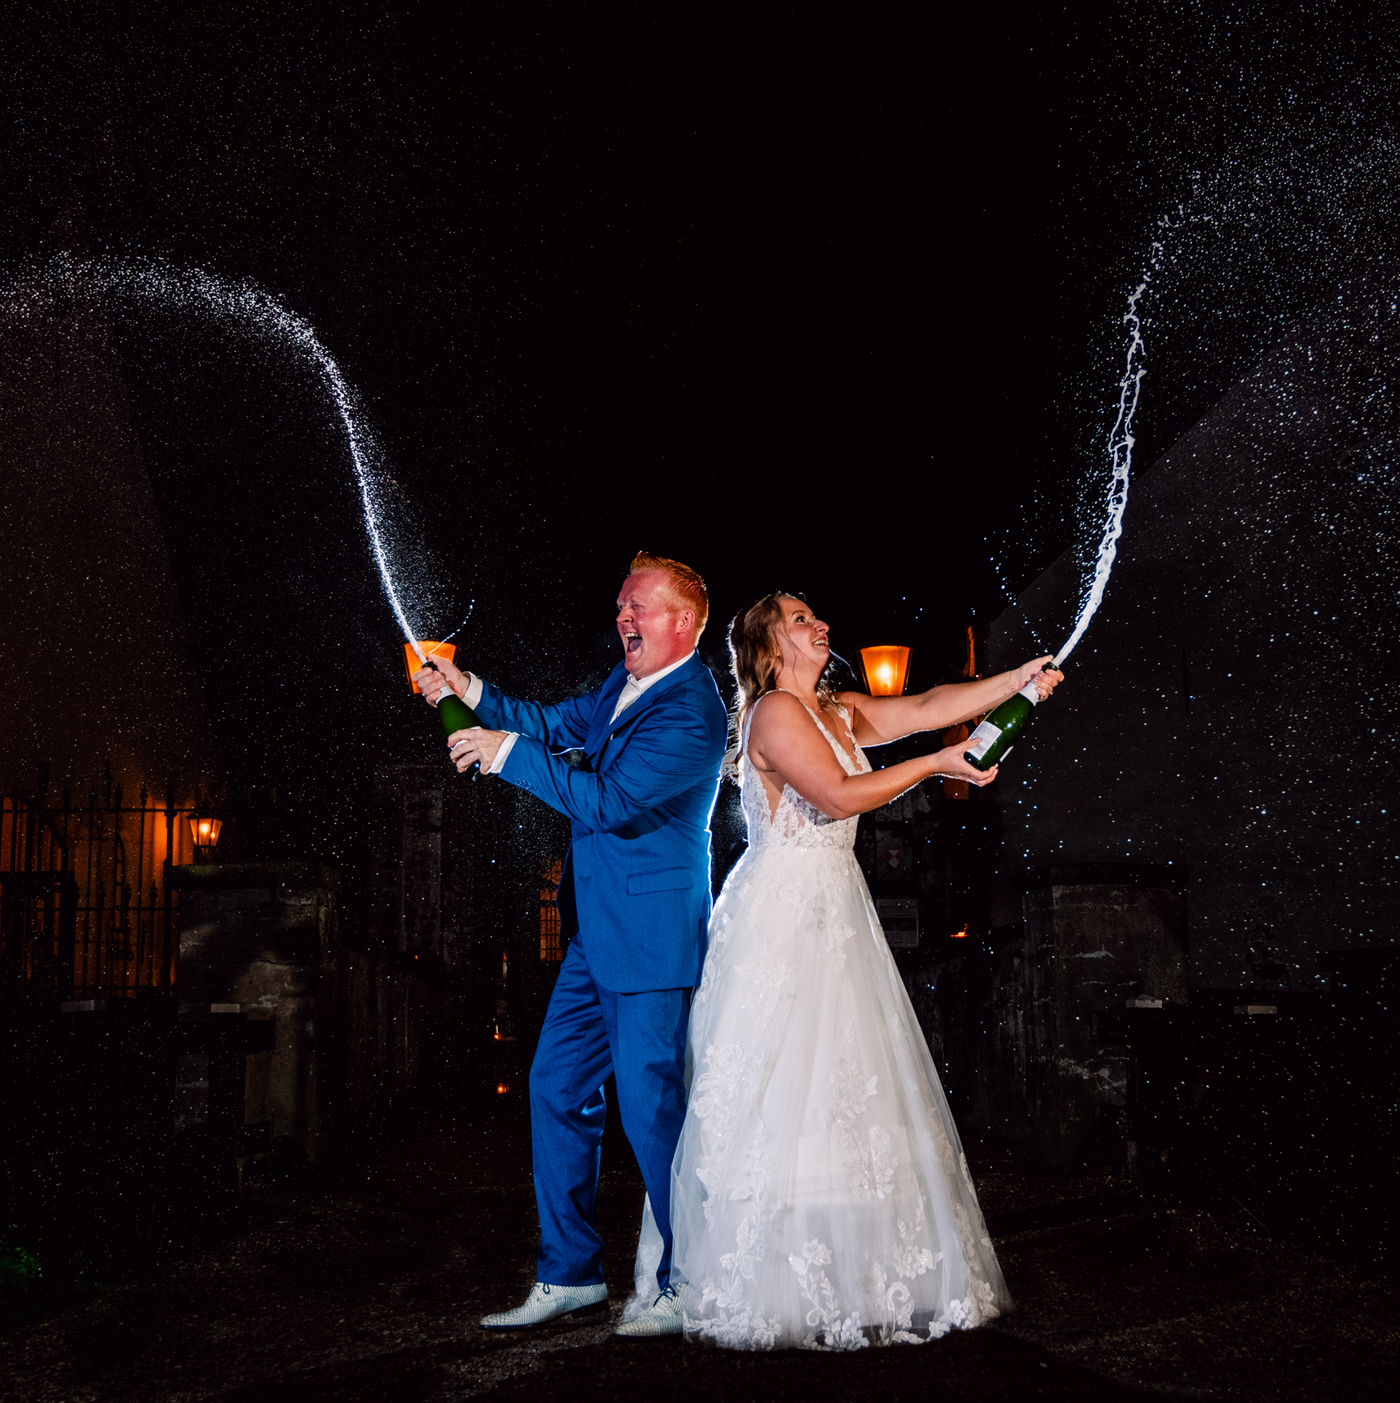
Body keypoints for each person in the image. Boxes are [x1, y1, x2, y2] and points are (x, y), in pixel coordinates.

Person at [624, 592, 1061, 1349]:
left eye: (816, 614)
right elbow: (837, 795)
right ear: (770, 645)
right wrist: (938, 763)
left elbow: (926, 705)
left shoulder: (837, 710)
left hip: (836, 907)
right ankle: (762, 1281)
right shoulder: (774, 714)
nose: (820, 623)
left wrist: (1017, 680)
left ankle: (850, 1273)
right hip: (780, 917)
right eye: (800, 619)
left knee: (845, 1088)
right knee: (781, 1086)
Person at [413, 553, 728, 1339]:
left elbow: (611, 801)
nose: (623, 617)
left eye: (639, 607)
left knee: (652, 1111)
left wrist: (503, 753)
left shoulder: (694, 709)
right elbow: (554, 723)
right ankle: (572, 1272)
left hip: (652, 939)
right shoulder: (624, 682)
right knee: (554, 1084)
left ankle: (689, 1279)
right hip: (597, 935)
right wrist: (466, 689)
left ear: (684, 622)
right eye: (621, 604)